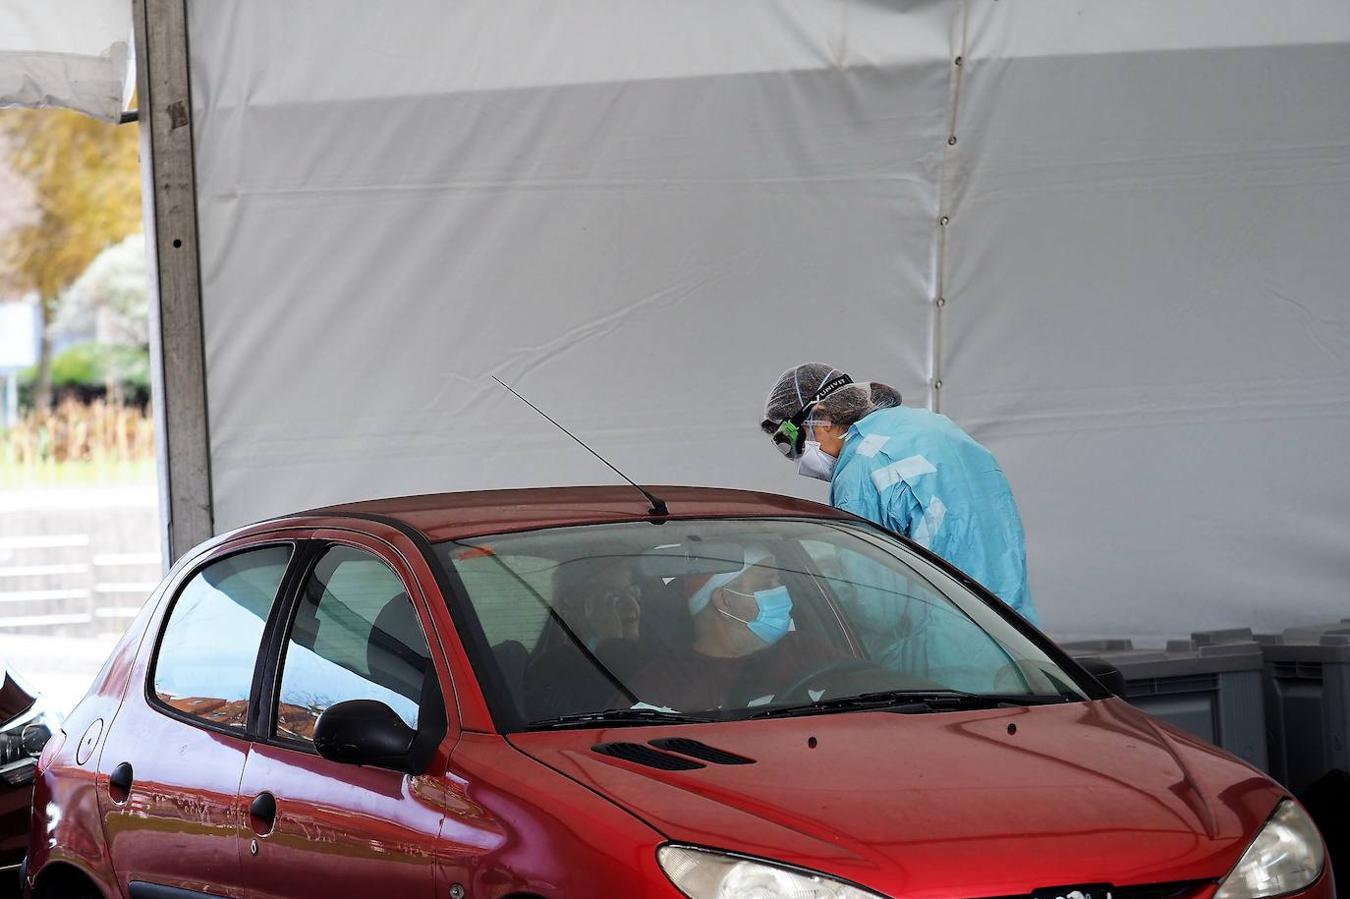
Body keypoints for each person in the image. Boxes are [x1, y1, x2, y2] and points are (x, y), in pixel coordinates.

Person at [761, 363, 1040, 627]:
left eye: (791, 443)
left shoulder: (860, 469)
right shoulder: (932, 426)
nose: (798, 459)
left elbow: (876, 605)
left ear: (822, 418)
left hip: (950, 645)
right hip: (1016, 627)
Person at [630, 549, 836, 711]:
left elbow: (865, 683)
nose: (781, 590)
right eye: (767, 583)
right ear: (724, 601)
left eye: (779, 581)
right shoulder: (661, 683)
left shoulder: (806, 650)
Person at [523, 556, 646, 719]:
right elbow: (609, 714)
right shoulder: (551, 672)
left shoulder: (660, 655)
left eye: (631, 591)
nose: (631, 604)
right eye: (611, 597)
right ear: (568, 610)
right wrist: (611, 643)